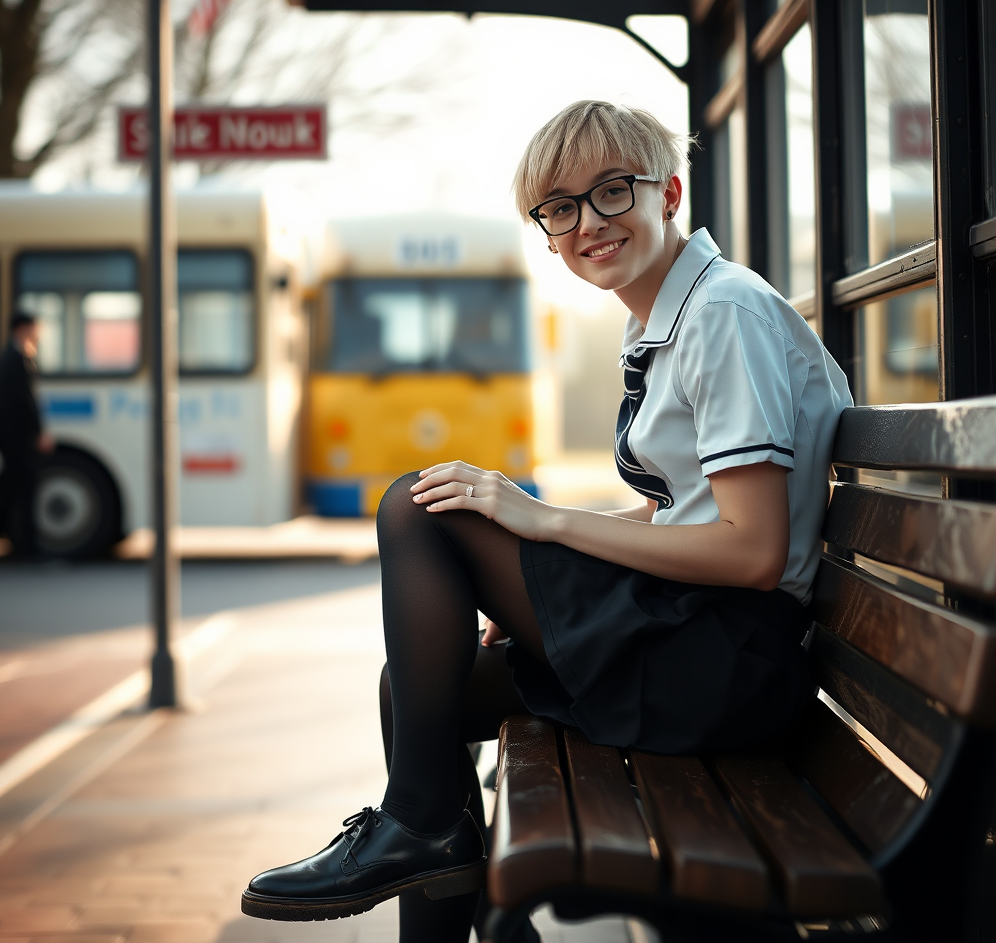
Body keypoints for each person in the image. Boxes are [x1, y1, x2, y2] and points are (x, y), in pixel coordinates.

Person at [241, 101, 853, 941]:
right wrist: (538, 594)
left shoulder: (723, 316)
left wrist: (545, 526)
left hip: (727, 662)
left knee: (421, 507)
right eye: (559, 209)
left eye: (611, 192)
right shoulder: (671, 313)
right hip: (694, 636)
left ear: (668, 192)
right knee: (417, 686)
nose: (587, 224)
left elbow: (751, 551)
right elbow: (678, 506)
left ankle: (420, 830)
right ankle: (430, 841)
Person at [0, 312, 54, 560]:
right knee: (19, 490)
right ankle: (27, 549)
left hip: (11, 436)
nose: (39, 334)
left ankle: (16, 544)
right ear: (23, 328)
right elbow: (25, 402)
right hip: (16, 437)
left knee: (13, 490)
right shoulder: (17, 358)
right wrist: (39, 433)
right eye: (36, 328)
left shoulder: (8, 356)